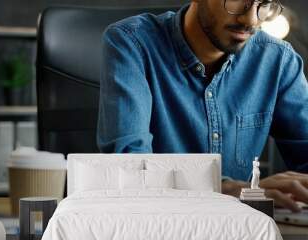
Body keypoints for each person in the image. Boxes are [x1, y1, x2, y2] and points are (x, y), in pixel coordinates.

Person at [97, 0, 308, 212]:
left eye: (263, 3)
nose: (250, 20)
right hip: (156, 224)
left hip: (242, 231)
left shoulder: (279, 60)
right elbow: (131, 166)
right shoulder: (131, 42)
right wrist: (224, 189)